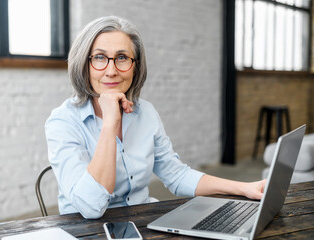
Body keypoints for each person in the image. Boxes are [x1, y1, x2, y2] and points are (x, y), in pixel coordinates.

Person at [45, 16, 266, 219]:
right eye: (100, 57)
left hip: (142, 223)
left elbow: (176, 175)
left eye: (122, 57)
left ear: (135, 67)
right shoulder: (63, 122)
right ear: (84, 65)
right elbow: (91, 207)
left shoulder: (146, 112)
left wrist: (245, 188)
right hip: (88, 230)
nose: (111, 70)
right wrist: (110, 124)